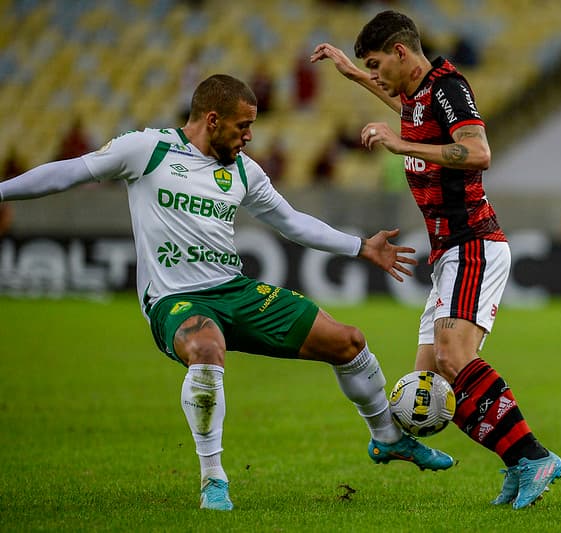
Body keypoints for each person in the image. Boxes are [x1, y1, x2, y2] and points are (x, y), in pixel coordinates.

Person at [0, 74, 454, 511]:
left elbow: (291, 222)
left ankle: (388, 438)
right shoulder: (148, 149)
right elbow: (69, 172)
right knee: (205, 348)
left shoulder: (242, 170)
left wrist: (359, 246)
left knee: (349, 342)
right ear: (212, 119)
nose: (249, 136)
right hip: (176, 300)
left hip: (234, 291)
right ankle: (213, 478)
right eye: (243, 126)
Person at [311, 10, 561, 510]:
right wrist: (356, 75)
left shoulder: (448, 86)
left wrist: (398, 144)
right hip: (449, 252)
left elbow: (478, 152)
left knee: (453, 358)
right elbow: (407, 110)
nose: (377, 74)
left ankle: (533, 457)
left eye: (377, 64)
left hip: (474, 242)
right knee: (433, 380)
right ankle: (516, 461)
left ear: (401, 52)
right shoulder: (419, 97)